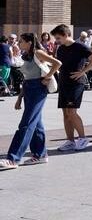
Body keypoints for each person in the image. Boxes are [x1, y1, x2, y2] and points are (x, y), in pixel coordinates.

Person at [0, 33, 61, 170]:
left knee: (26, 123)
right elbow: (26, 77)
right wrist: (19, 98)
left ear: (29, 42)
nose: (19, 43)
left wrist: (48, 77)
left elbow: (57, 63)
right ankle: (40, 154)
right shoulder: (25, 55)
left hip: (38, 88)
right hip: (28, 88)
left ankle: (13, 158)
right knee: (36, 123)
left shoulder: (38, 52)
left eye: (21, 41)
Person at [51, 25, 92, 151]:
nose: (56, 40)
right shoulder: (60, 49)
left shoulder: (80, 46)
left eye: (58, 38)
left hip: (76, 83)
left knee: (72, 112)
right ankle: (70, 141)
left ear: (66, 35)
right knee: (65, 113)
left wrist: (82, 71)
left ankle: (83, 139)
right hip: (63, 82)